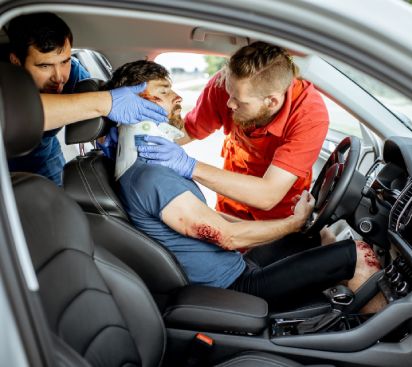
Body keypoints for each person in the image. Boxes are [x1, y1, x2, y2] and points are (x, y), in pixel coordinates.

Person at [113, 60, 381, 306]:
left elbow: (213, 220)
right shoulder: (152, 176)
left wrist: (289, 228)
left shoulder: (151, 167)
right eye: (163, 91)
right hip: (234, 286)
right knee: (356, 254)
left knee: (311, 236)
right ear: (132, 105)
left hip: (234, 266)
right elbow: (227, 237)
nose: (178, 97)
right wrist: (292, 223)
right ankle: (383, 343)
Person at [137, 41, 329, 221]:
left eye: (239, 101)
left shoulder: (309, 115)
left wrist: (188, 165)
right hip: (231, 190)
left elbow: (268, 195)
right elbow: (188, 130)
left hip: (279, 207)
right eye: (229, 94)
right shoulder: (227, 85)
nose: (229, 103)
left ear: (272, 102)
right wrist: (139, 141)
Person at [6, 12, 167, 185]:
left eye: (64, 61)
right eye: (45, 66)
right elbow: (20, 115)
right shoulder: (4, 79)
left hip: (44, 154)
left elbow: (100, 113)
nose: (59, 77)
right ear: (16, 61)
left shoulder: (74, 73)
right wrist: (106, 102)